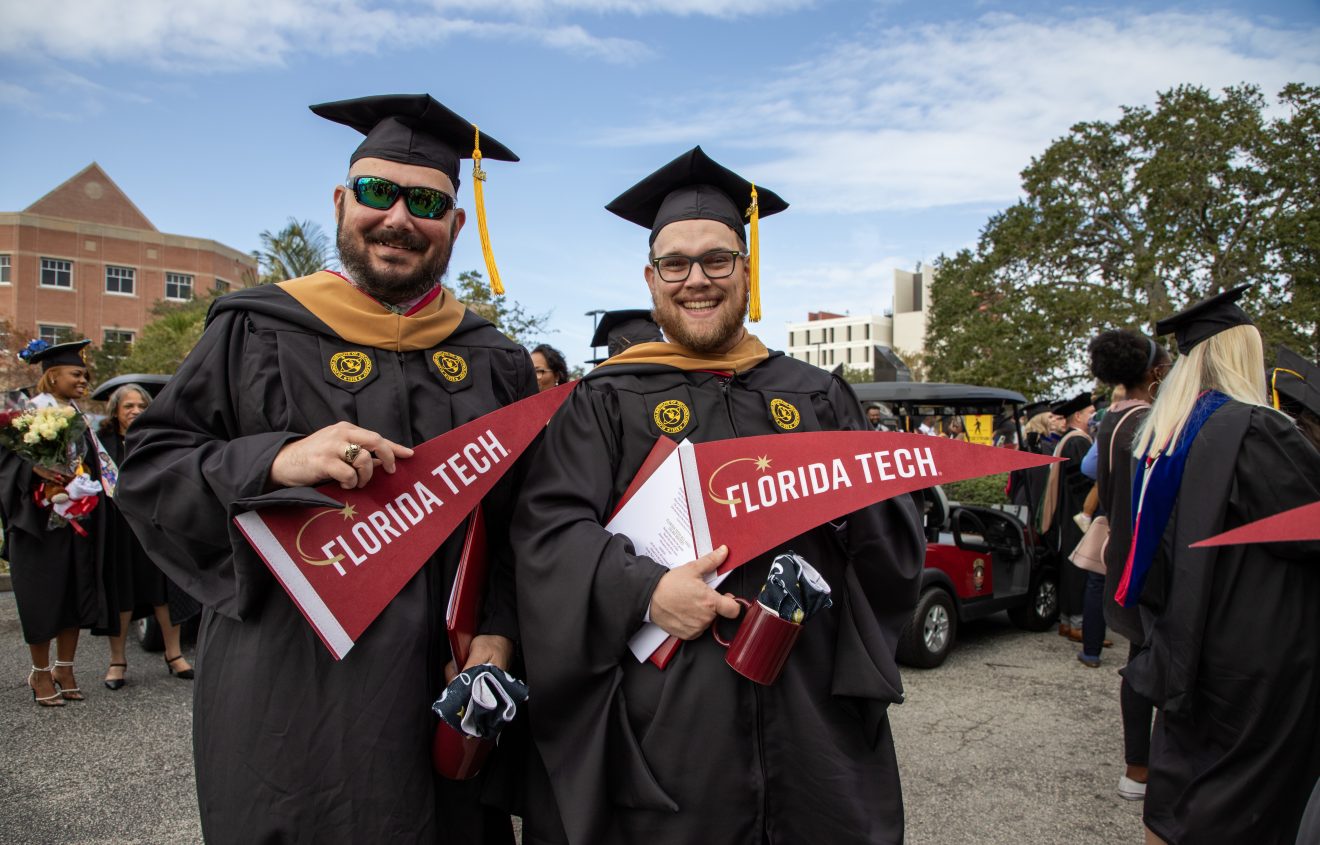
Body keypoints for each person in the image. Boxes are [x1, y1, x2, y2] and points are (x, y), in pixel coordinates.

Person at [116, 94, 535, 843]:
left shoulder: (492, 360)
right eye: (377, 193)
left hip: (444, 692)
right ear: (341, 201)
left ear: (456, 223)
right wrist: (272, 459)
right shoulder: (256, 328)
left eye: (427, 201)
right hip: (291, 688)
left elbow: (521, 523)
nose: (398, 217)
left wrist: (500, 633)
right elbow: (149, 468)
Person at [511, 146, 925, 844]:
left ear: (747, 269)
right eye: (676, 263)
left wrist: (868, 509)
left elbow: (890, 554)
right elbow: (548, 532)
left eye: (717, 259)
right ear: (651, 278)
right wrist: (643, 590)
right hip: (670, 726)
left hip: (809, 717)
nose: (695, 279)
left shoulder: (817, 395)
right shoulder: (605, 401)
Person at [1117, 285, 1320, 845]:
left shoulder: (1164, 432)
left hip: (1185, 637)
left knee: (1187, 776)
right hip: (1256, 644)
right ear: (1240, 354)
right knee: (1247, 792)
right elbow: (1309, 532)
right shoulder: (1257, 430)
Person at [1088, 330, 1171, 800]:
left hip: (1122, 545)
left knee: (1141, 654)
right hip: (1150, 550)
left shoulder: (1109, 421)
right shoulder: (1149, 421)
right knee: (1148, 658)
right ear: (1153, 372)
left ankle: (1137, 765)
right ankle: (1140, 765)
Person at [0, 339, 104, 706]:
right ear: (52, 375)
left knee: (73, 594)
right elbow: (8, 468)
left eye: (85, 375)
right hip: (36, 526)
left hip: (74, 520)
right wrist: (38, 475)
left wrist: (82, 480)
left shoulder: (77, 416)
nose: (83, 380)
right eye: (76, 374)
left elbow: (90, 463)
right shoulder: (24, 412)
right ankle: (39, 672)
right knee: (41, 598)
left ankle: (65, 667)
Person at [96, 384, 198, 689]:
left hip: (157, 525)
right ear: (115, 410)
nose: (135, 411)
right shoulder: (101, 444)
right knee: (122, 594)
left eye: (141, 405)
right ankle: (117, 662)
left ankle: (174, 655)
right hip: (119, 529)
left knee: (165, 592)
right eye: (128, 406)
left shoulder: (156, 437)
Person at [1038, 392, 1093, 642]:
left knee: (1069, 566)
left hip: (1064, 513)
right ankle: (1076, 624)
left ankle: (1067, 621)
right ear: (1079, 416)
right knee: (1077, 568)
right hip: (1076, 514)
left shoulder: (1065, 440)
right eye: (1090, 414)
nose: (1092, 418)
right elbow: (1083, 484)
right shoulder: (1078, 442)